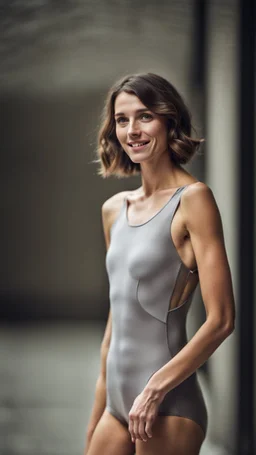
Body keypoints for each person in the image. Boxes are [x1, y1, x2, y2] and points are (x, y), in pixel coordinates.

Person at [84, 73, 235, 455]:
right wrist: (98, 412)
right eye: (122, 119)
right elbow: (116, 322)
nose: (132, 130)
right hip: (116, 407)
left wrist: (154, 389)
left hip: (168, 405)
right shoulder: (114, 210)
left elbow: (221, 320)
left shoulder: (194, 200)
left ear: (170, 122)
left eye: (145, 116)